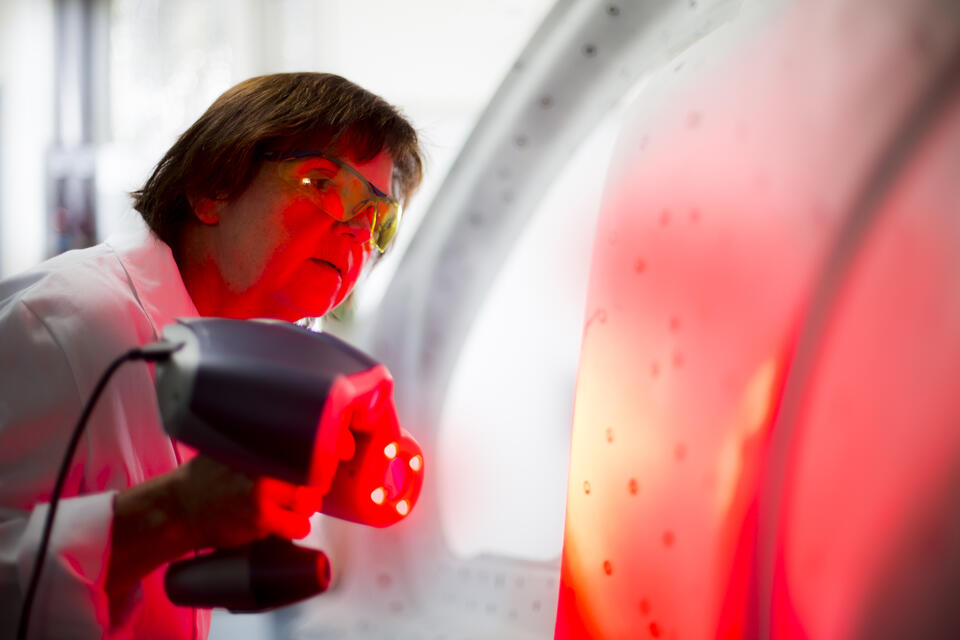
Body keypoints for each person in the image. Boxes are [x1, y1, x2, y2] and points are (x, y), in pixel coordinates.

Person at [0, 72, 423, 639]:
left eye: (376, 217)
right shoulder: (66, 323)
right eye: (325, 184)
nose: (354, 230)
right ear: (212, 189)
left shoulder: (231, 359)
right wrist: (171, 515)